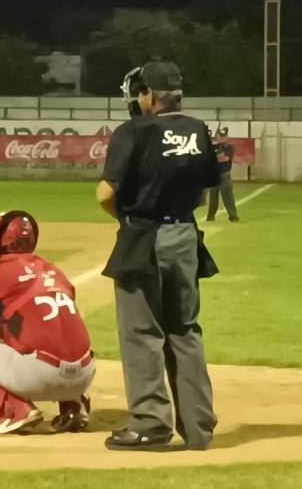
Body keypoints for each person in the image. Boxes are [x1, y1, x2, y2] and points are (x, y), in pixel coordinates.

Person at [96, 61, 219, 451]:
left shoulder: (133, 131)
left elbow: (105, 193)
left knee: (142, 333)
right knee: (184, 329)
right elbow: (203, 190)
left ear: (149, 94)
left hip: (144, 235)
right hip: (185, 234)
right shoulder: (198, 130)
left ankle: (151, 423)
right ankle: (199, 427)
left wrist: (128, 219)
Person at [0, 211, 96, 435]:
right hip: (84, 375)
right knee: (61, 340)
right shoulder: (55, 271)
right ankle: (74, 405)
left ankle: (14, 410)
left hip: (40, 376)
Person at [206, 127, 239, 222]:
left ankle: (233, 216)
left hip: (224, 174)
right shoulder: (214, 147)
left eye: (224, 136)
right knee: (213, 197)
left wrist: (215, 156)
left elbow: (224, 158)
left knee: (227, 196)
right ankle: (210, 216)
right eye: (220, 136)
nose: (222, 138)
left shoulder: (229, 147)